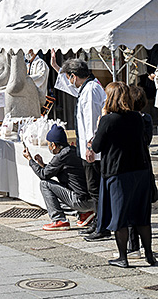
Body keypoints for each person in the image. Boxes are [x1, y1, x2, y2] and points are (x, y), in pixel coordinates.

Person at [90, 82, 155, 268]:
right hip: (140, 171)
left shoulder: (108, 120)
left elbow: (97, 147)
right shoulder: (136, 117)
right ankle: (149, 255)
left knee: (120, 217)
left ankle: (123, 257)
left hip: (118, 172)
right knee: (142, 216)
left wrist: (100, 123)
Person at [51, 54, 110, 240]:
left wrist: (91, 146)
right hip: (90, 148)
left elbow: (93, 120)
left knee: (95, 189)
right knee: (94, 188)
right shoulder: (87, 86)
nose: (69, 81)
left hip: (93, 150)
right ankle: (99, 221)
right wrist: (57, 68)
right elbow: (70, 87)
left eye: (69, 76)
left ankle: (102, 226)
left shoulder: (91, 89)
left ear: (74, 76)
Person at [23, 124, 94, 231]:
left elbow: (43, 175)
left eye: (49, 144)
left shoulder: (62, 156)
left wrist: (30, 160)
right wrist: (42, 164)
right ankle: (84, 214)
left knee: (45, 184)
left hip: (80, 201)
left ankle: (59, 220)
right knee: (52, 200)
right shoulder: (73, 150)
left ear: (53, 145)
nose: (49, 147)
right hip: (91, 200)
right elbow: (55, 171)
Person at [124, 85, 155, 259]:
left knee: (130, 208)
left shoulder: (128, 120)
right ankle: (145, 247)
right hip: (145, 165)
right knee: (143, 209)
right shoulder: (147, 119)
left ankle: (133, 246)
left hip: (131, 166)